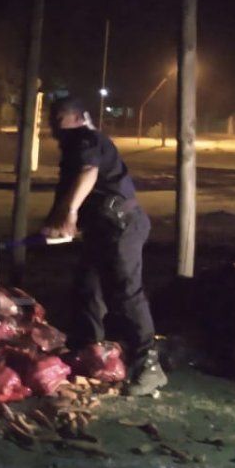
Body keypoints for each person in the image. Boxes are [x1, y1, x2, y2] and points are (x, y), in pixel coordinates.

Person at [41, 96, 167, 397]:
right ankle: (89, 353)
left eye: (59, 119)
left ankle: (149, 365)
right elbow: (68, 190)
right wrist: (54, 222)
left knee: (126, 293)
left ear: (78, 118)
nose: (54, 126)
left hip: (122, 226)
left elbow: (88, 172)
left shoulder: (87, 139)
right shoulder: (71, 149)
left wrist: (71, 212)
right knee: (88, 288)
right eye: (51, 119)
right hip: (100, 228)